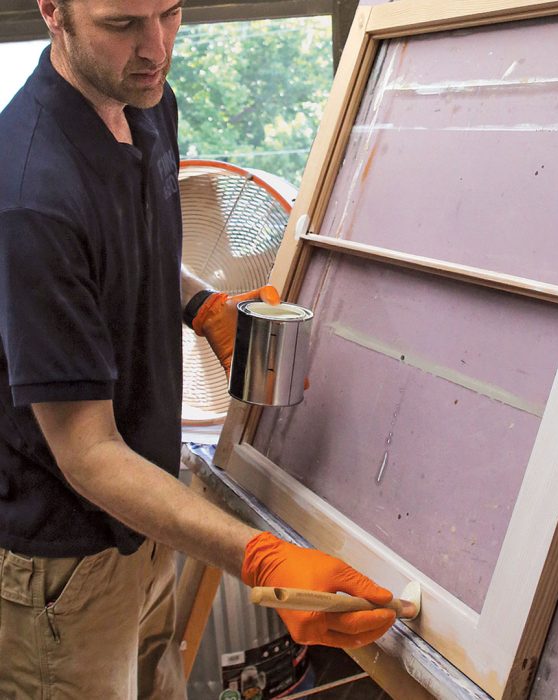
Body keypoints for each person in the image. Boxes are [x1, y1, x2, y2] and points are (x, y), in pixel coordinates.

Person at [0, 1, 396, 698]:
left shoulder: (148, 101)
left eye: (171, 12)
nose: (156, 47)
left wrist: (202, 305)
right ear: (53, 12)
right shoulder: (31, 194)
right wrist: (263, 557)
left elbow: (137, 249)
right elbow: (87, 454)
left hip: (147, 520)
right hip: (62, 563)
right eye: (122, 24)